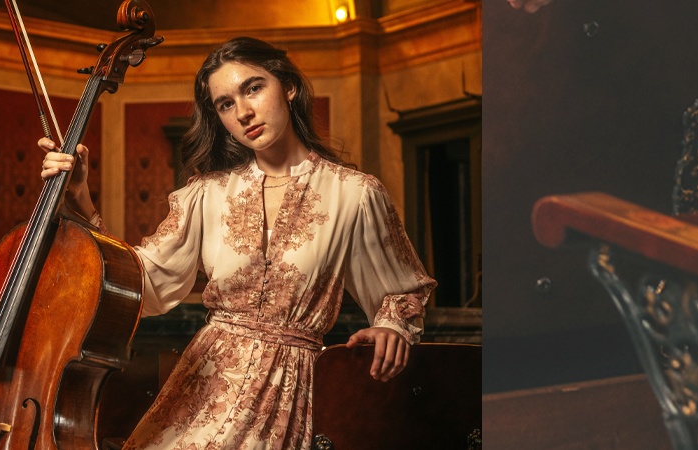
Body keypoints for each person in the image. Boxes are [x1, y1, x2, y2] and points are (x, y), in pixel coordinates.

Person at [40, 37, 436, 450]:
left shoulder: (354, 194)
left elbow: (402, 288)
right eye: (225, 103)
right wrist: (81, 201)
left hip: (288, 394)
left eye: (253, 88)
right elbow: (144, 283)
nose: (243, 112)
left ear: (288, 87)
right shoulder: (206, 195)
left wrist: (393, 325)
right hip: (200, 390)